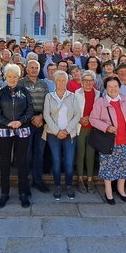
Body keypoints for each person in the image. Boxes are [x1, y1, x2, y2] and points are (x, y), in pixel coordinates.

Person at [89, 76, 126, 205]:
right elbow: (93, 119)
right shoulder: (101, 102)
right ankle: (108, 191)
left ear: (119, 87)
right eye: (110, 87)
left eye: (115, 86)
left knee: (124, 166)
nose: (113, 89)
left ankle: (121, 190)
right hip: (109, 141)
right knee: (108, 168)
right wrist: (106, 127)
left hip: (125, 140)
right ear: (106, 88)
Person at [0, 64, 34, 209]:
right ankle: (4, 193)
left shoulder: (24, 91)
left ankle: (23, 192)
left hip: (22, 130)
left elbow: (30, 110)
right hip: (5, 130)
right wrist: (8, 122)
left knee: (22, 161)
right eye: (9, 76)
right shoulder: (0, 92)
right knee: (5, 162)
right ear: (5, 77)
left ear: (19, 77)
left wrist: (20, 121)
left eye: (14, 76)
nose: (12, 79)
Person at [44, 70, 81, 200]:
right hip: (53, 134)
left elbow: (77, 114)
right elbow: (46, 115)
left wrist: (67, 130)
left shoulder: (72, 96)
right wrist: (57, 131)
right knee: (56, 161)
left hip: (69, 134)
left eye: (63, 80)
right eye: (58, 80)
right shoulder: (49, 96)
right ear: (54, 82)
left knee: (69, 162)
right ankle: (58, 186)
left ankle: (69, 185)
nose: (60, 82)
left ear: (66, 81)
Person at [18, 60, 50, 193]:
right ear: (26, 69)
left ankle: (37, 181)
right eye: (31, 67)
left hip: (41, 122)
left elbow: (48, 102)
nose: (34, 70)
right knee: (26, 154)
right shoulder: (21, 83)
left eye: (36, 68)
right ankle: (25, 183)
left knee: (39, 153)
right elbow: (19, 103)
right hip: (26, 122)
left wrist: (42, 116)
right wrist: (31, 117)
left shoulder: (43, 84)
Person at [74, 70, 101, 193]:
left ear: (94, 82)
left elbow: (100, 112)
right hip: (80, 127)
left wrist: (89, 118)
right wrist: (79, 119)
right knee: (80, 154)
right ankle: (80, 180)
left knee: (90, 154)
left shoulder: (98, 94)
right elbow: (73, 110)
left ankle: (90, 180)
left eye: (91, 80)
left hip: (93, 128)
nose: (88, 82)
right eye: (86, 80)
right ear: (82, 82)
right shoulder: (76, 93)